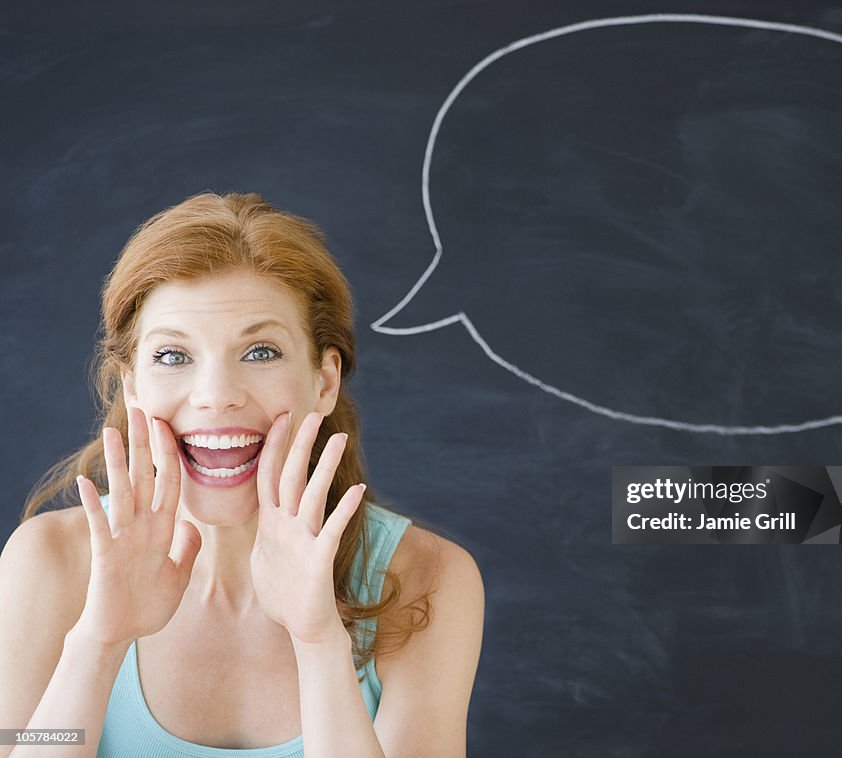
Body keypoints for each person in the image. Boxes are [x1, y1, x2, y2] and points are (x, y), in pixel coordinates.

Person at [0, 192, 485, 757]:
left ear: (324, 382)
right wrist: (98, 643)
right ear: (131, 385)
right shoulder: (48, 560)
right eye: (173, 356)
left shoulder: (429, 578)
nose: (216, 398)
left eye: (259, 352)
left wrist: (319, 643)